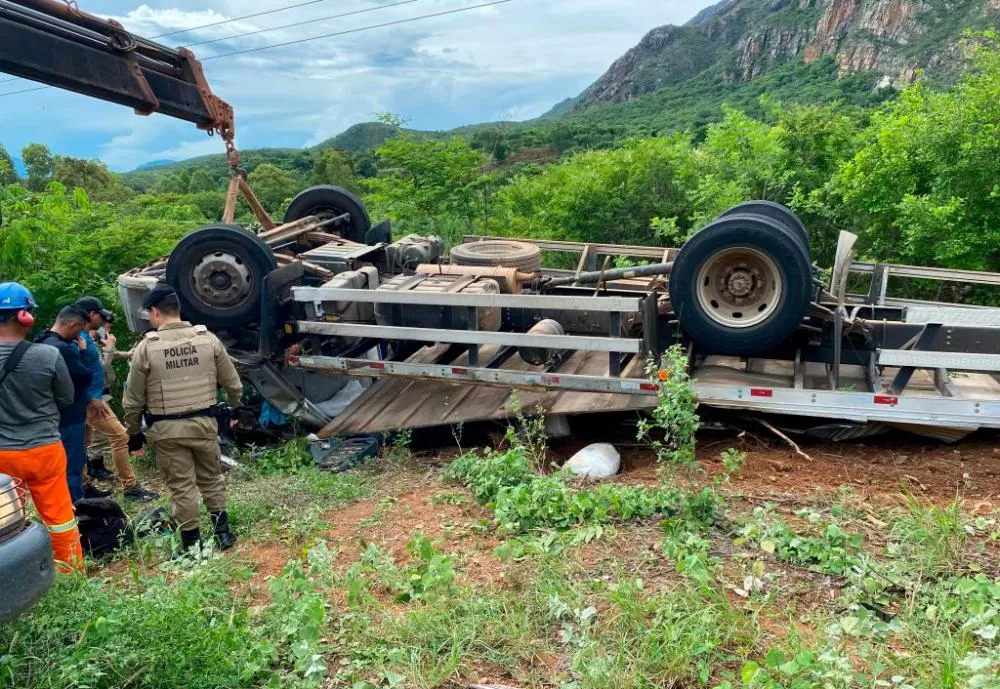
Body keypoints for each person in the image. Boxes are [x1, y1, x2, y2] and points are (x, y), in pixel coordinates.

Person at [123, 283, 242, 557]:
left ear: (155, 313)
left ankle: (192, 545)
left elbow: (132, 400)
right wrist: (234, 409)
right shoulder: (208, 339)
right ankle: (223, 534)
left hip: (167, 431)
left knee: (182, 487)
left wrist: (133, 432)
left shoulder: (146, 348)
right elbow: (233, 384)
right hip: (204, 424)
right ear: (178, 309)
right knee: (211, 479)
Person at [0, 283, 84, 572]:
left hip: (2, 458)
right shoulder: (48, 356)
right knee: (60, 519)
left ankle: (16, 581)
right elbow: (66, 398)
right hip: (44, 450)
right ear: (26, 317)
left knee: (7, 524)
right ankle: (71, 576)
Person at [74, 296, 158, 502]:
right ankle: (130, 488)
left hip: (87, 399)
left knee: (82, 443)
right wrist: (111, 347)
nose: (102, 321)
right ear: (91, 314)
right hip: (91, 399)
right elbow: (91, 371)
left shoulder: (83, 336)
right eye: (100, 315)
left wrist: (121, 352)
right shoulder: (79, 339)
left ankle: (84, 486)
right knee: (120, 436)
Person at [35, 306, 95, 503]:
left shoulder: (40, 341)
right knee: (72, 467)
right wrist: (84, 352)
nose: (80, 335)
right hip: (70, 417)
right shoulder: (63, 349)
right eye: (80, 330)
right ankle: (76, 509)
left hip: (50, 416)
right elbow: (84, 376)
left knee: (58, 466)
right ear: (72, 325)